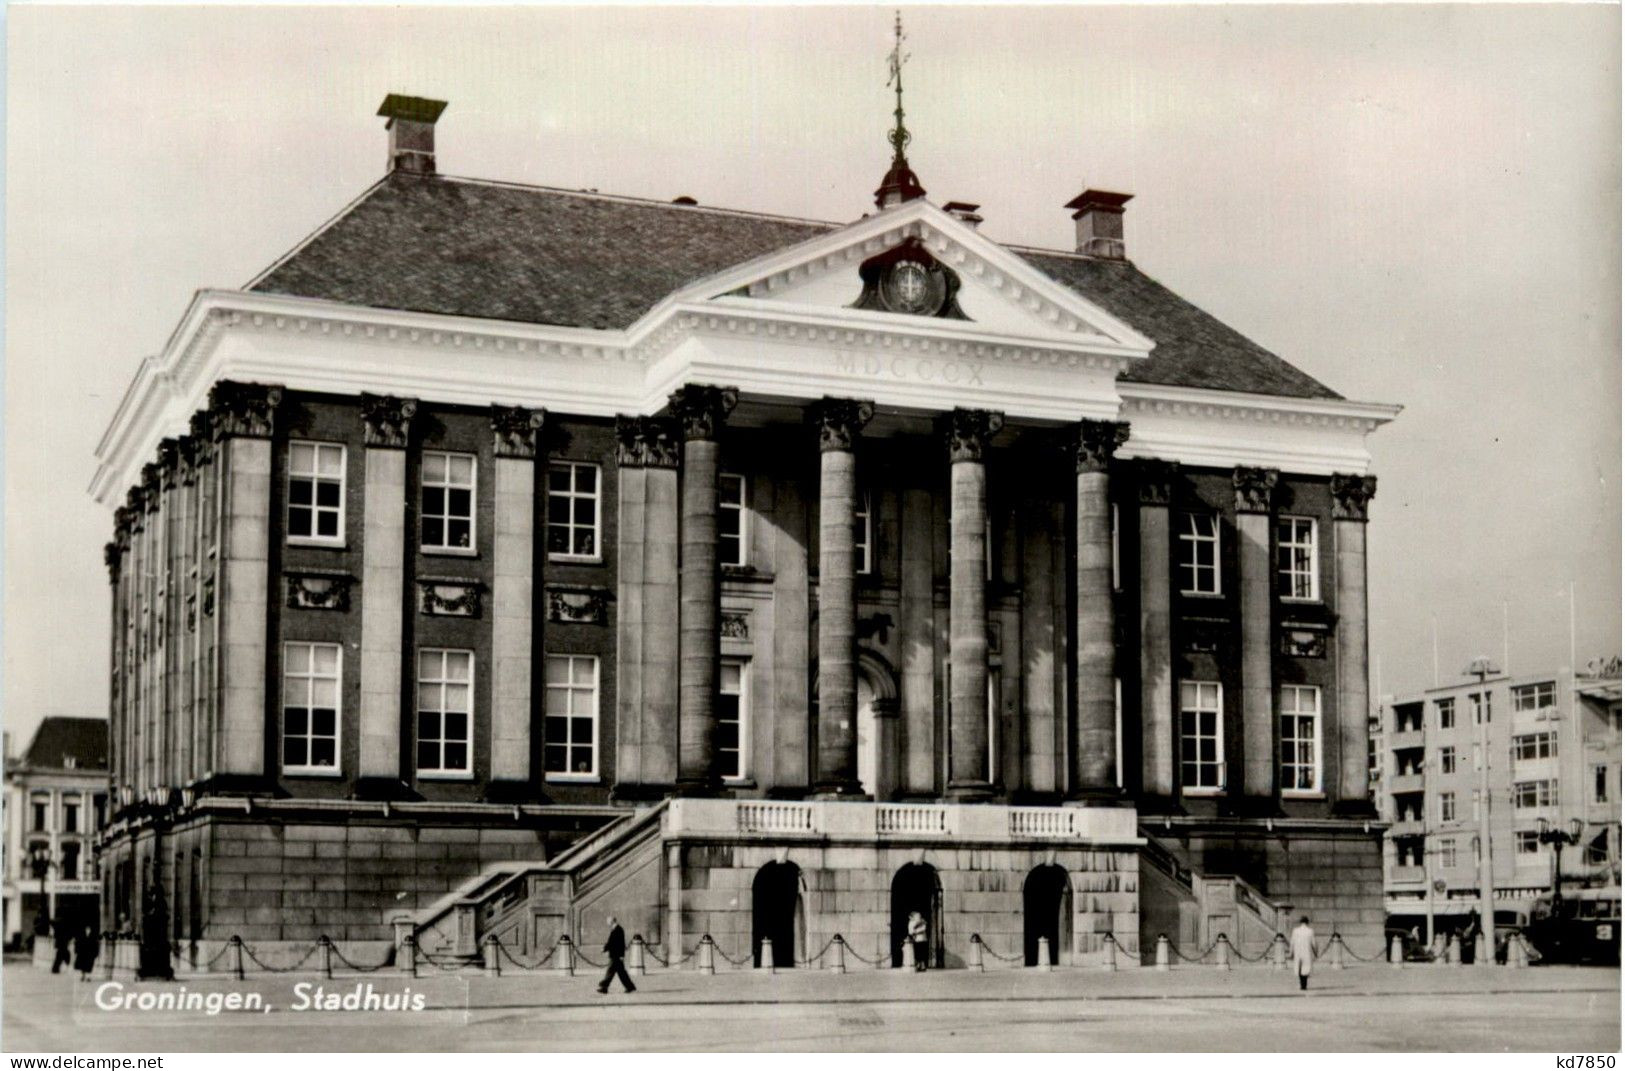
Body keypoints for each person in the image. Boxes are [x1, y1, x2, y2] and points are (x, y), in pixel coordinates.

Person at [596, 916, 636, 995]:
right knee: (621, 973)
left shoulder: (618, 930)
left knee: (610, 971)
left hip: (616, 955)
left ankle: (604, 987)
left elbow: (616, 943)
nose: (607, 923)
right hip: (616, 955)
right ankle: (630, 987)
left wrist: (604, 949)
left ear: (612, 921)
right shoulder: (616, 929)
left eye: (608, 921)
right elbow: (613, 942)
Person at [1290, 915, 1316, 991]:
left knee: (1299, 967)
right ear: (1307, 922)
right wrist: (1315, 952)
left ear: (1300, 922)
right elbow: (1313, 943)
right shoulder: (1310, 931)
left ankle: (1301, 984)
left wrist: (1291, 952)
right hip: (1306, 951)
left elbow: (1292, 942)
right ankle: (1304, 985)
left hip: (1298, 951)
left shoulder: (1295, 930)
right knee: (1305, 968)